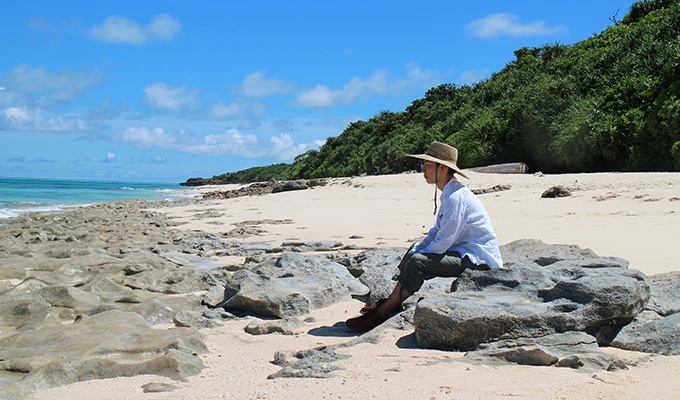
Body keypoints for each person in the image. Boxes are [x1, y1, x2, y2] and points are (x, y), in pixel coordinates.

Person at [345, 141, 503, 333]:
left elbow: (444, 240)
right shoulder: (449, 193)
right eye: (423, 164)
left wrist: (417, 256)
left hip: (478, 260)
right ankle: (390, 303)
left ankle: (383, 311)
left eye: (427, 165)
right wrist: (415, 249)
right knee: (416, 253)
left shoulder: (456, 197)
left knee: (419, 262)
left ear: (442, 168)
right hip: (462, 252)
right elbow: (437, 230)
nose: (423, 170)